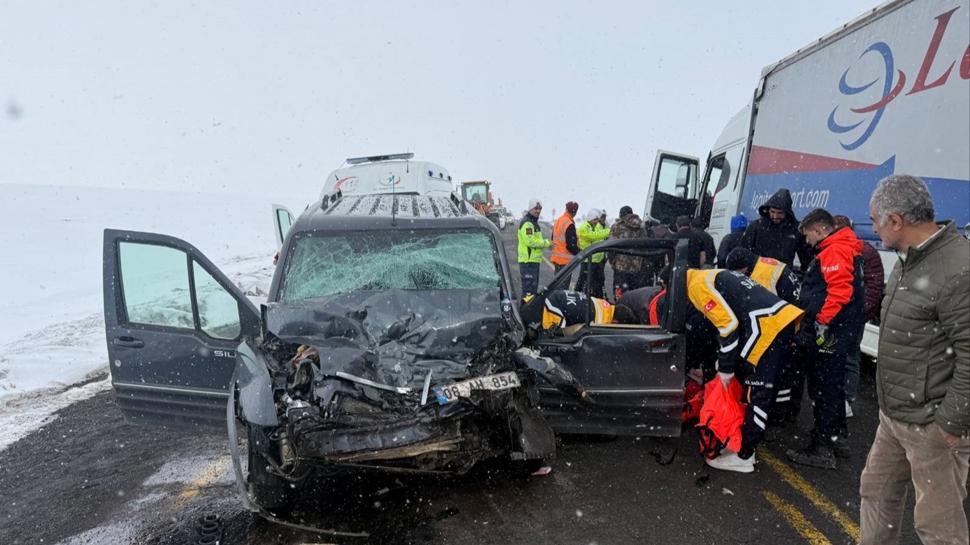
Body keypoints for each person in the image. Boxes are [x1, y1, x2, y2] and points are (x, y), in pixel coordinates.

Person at [858, 175, 969, 545]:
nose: (872, 228)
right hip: (894, 418)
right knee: (875, 495)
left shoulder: (957, 268)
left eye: (875, 220)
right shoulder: (908, 260)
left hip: (932, 424)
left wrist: (949, 423)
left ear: (896, 220)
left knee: (939, 527)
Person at [687, 268, 805, 473]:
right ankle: (753, 440)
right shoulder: (712, 273)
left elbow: (728, 326)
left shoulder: (695, 286)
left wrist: (725, 368)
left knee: (757, 394)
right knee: (764, 389)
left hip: (767, 329)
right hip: (782, 320)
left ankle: (745, 455)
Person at [785, 208, 864, 470]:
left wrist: (821, 321)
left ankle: (822, 447)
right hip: (841, 332)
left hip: (830, 333)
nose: (807, 241)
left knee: (824, 387)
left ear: (819, 230)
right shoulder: (844, 247)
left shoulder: (834, 251)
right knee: (833, 386)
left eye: (808, 235)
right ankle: (836, 437)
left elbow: (840, 292)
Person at [832, 214, 884, 418]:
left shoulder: (864, 252)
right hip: (839, 313)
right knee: (838, 356)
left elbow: (874, 285)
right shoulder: (838, 250)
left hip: (851, 315)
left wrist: (862, 312)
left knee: (850, 357)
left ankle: (846, 399)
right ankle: (837, 397)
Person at [740, 188, 813, 270]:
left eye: (779, 213)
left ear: (787, 212)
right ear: (768, 210)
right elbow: (743, 253)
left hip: (782, 277)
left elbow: (806, 258)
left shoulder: (795, 230)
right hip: (757, 275)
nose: (775, 216)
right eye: (772, 212)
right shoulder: (755, 227)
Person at [725, 247, 800, 305]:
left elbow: (766, 305)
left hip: (791, 308)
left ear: (743, 268)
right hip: (796, 298)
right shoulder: (761, 261)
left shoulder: (760, 275)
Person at [609, 206, 650, 298]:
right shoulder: (641, 226)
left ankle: (620, 309)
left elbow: (611, 246)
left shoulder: (617, 227)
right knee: (635, 293)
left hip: (621, 266)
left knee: (620, 294)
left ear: (621, 215)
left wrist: (612, 261)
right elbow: (645, 244)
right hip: (637, 265)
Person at [517, 198, 551, 297]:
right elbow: (530, 241)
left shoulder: (533, 222)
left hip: (533, 261)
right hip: (528, 262)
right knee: (529, 292)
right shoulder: (528, 223)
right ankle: (525, 311)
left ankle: (528, 310)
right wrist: (546, 243)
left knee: (532, 291)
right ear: (530, 209)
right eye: (536, 208)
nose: (538, 211)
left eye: (540, 208)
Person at [575, 209, 610, 297]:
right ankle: (577, 296)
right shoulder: (584, 228)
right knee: (583, 281)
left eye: (597, 219)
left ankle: (599, 298)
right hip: (587, 260)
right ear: (590, 218)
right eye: (595, 219)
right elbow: (593, 236)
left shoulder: (595, 226)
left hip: (597, 260)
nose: (597, 222)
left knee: (599, 281)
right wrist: (609, 231)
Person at [551, 201, 580, 272]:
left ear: (566, 209)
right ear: (575, 212)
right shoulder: (569, 224)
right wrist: (580, 252)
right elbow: (571, 245)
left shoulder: (558, 220)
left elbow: (552, 238)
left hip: (556, 259)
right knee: (564, 282)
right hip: (565, 261)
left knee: (558, 282)